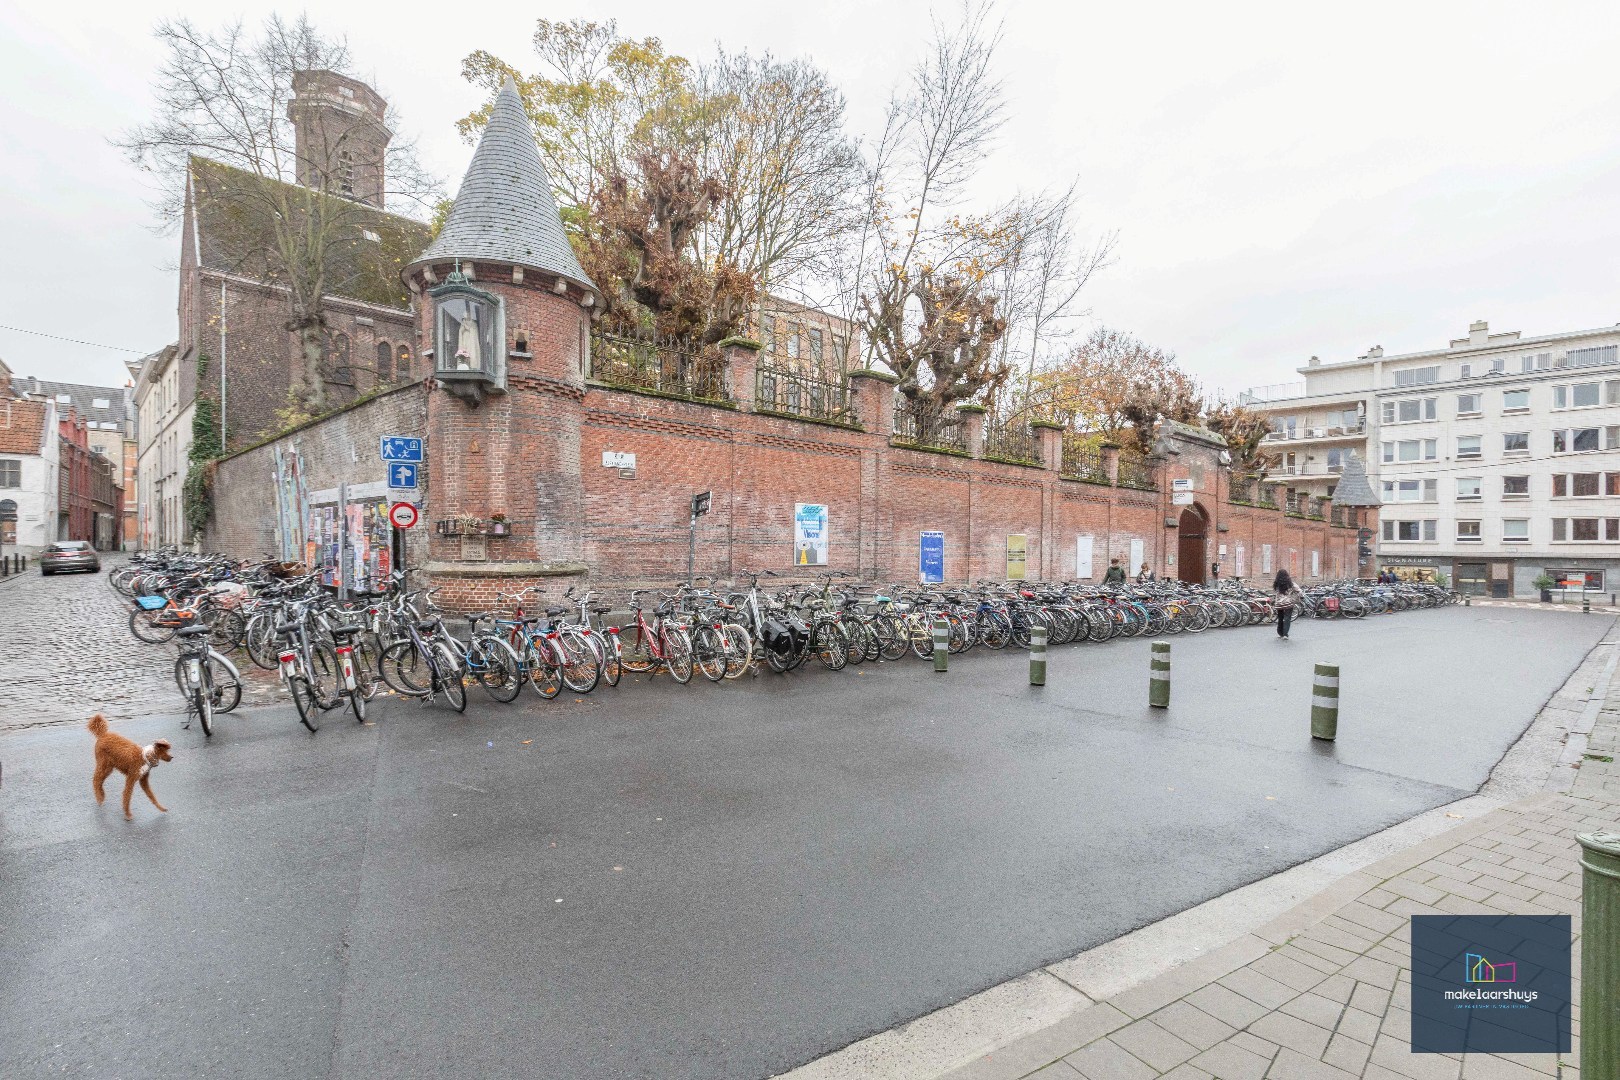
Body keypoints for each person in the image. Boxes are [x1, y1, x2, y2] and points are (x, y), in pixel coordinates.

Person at [1273, 568, 1302, 639]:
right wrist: (1296, 597)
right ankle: (1285, 634)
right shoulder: (1291, 584)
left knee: (1280, 618)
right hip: (1288, 603)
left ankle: (1280, 633)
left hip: (1279, 604)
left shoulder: (1276, 584)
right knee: (1287, 618)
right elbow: (1299, 591)